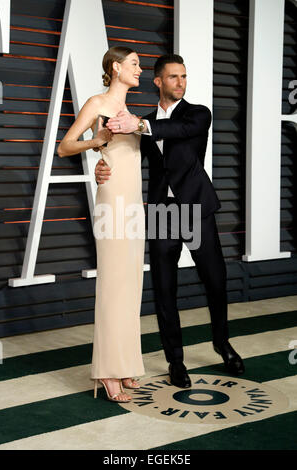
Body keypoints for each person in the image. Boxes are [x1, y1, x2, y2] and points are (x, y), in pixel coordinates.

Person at [95, 54, 245, 388]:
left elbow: (180, 129)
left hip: (195, 208)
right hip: (163, 213)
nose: (181, 82)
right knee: (164, 289)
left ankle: (222, 343)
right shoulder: (142, 122)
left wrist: (141, 126)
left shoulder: (197, 114)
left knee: (216, 281)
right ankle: (175, 361)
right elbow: (126, 158)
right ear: (158, 81)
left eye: (184, 76)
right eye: (174, 77)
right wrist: (101, 168)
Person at [57, 46, 145, 402]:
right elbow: (65, 146)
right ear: (116, 67)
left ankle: (124, 364)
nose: (139, 70)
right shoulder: (97, 104)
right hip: (111, 199)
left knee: (131, 283)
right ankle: (107, 372)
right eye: (135, 64)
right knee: (112, 283)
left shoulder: (132, 112)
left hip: (134, 203)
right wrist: (97, 142)